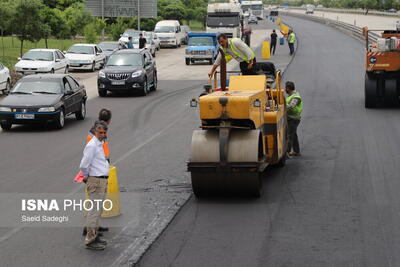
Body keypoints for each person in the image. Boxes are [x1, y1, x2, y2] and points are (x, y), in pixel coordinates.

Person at [80, 121, 110, 250]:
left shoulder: (99, 144)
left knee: (97, 211)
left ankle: (95, 235)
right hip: (96, 181)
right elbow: (83, 165)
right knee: (94, 212)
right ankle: (90, 240)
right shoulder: (92, 145)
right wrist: (87, 178)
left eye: (104, 132)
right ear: (95, 131)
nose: (102, 135)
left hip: (101, 180)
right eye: (100, 132)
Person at [285, 81, 303, 157]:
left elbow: (291, 106)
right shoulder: (290, 95)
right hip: (291, 118)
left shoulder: (295, 97)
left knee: (290, 136)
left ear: (288, 88)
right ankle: (296, 151)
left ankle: (287, 152)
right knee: (294, 135)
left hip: (293, 119)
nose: (285, 89)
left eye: (286, 87)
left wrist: (282, 105)